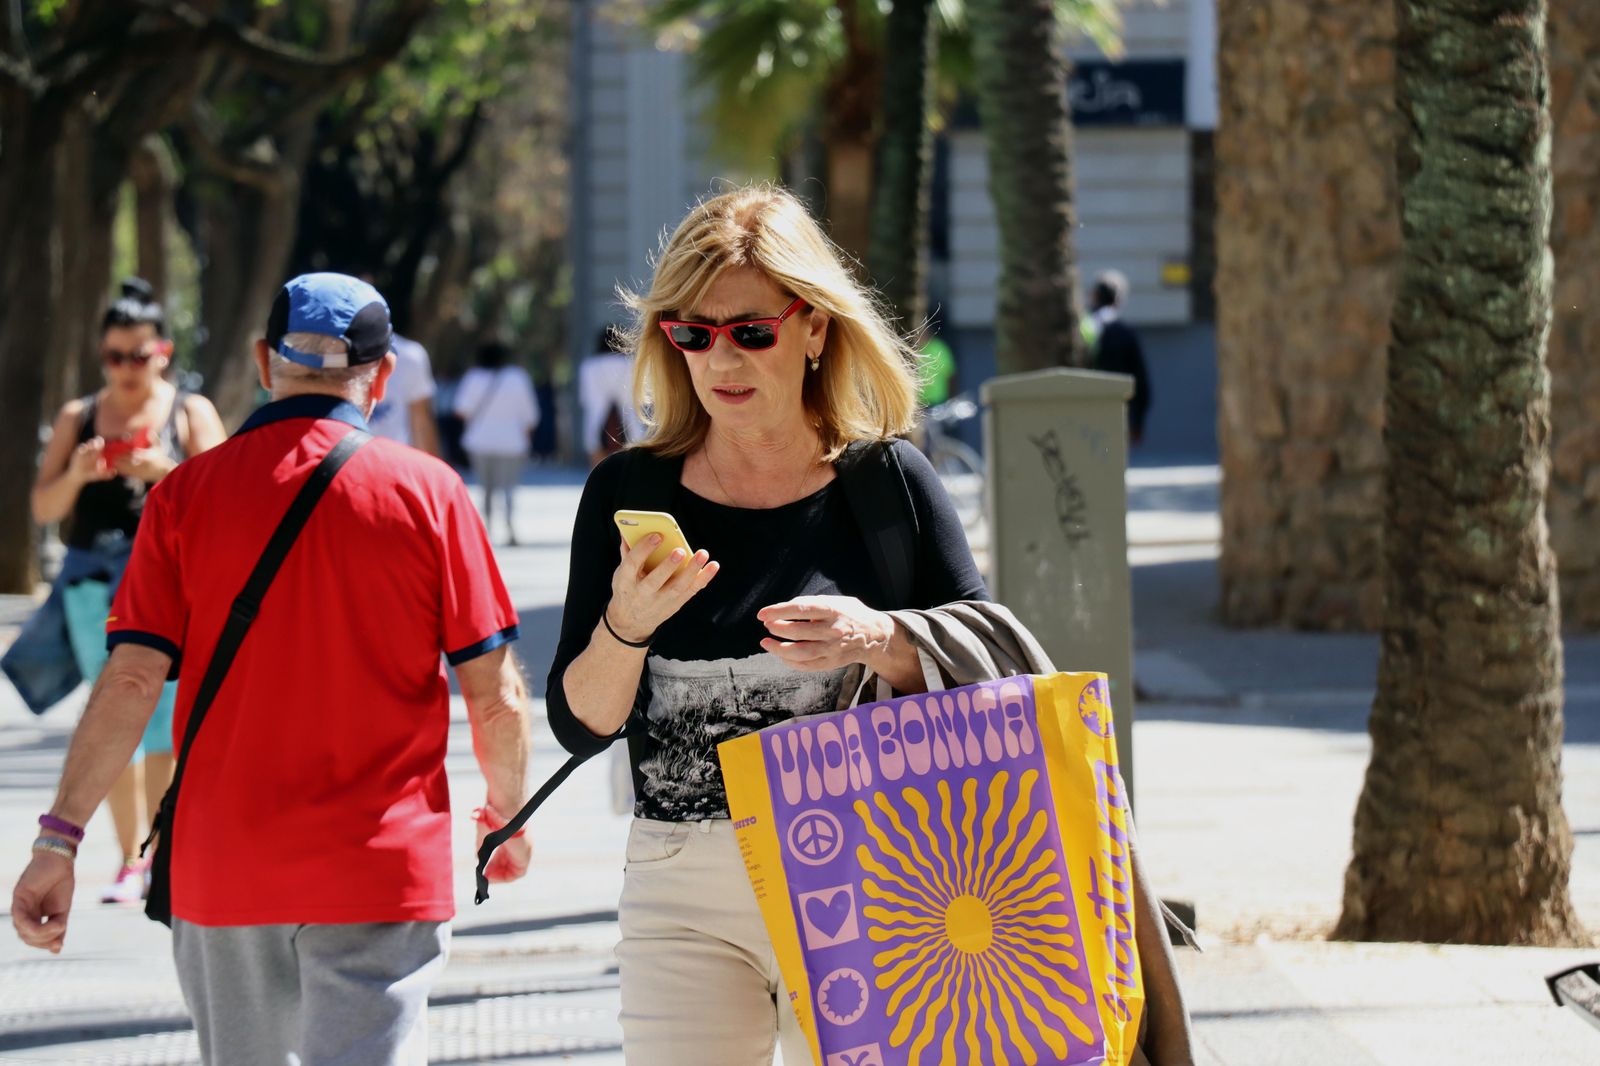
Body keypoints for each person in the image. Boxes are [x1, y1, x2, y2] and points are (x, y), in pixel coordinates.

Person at [11, 273, 534, 1064]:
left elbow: (128, 682)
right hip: (379, 869)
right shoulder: (432, 494)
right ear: (383, 374)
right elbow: (494, 696)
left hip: (226, 866)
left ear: (264, 363)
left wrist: (60, 841)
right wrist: (508, 816)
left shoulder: (184, 495)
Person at [544, 185, 990, 1064]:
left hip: (874, 876)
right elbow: (578, 725)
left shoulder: (888, 486)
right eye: (693, 333)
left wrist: (878, 639)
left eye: (751, 331)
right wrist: (625, 627)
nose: (721, 359)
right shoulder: (628, 494)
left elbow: (985, 671)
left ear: (814, 327)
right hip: (681, 885)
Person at [8, 278, 226, 905]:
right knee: (112, 719)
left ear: (164, 349)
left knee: (162, 723)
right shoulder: (80, 416)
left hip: (169, 583)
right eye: (115, 357)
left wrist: (166, 472)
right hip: (92, 588)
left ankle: (160, 853)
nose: (128, 370)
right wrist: (77, 473)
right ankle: (132, 860)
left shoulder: (191, 411)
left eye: (139, 354)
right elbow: (44, 506)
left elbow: (225, 499)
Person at [453, 341, 540, 546]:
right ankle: (510, 528)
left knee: (486, 488)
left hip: (480, 442)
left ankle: (487, 529)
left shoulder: (473, 377)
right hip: (512, 443)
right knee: (509, 487)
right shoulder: (518, 377)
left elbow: (460, 410)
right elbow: (530, 415)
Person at [1087, 269, 1152, 445]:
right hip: (1116, 412)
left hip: (1084, 411)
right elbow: (1141, 381)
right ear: (1118, 299)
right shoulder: (1125, 333)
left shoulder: (1084, 329)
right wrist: (1137, 422)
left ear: (1094, 296)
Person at [578, 325, 647, 466]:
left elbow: (585, 400)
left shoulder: (588, 367)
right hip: (630, 430)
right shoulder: (631, 364)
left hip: (597, 429)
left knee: (598, 477)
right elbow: (640, 398)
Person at [368, 331, 441, 456]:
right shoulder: (410, 354)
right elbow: (421, 421)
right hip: (394, 460)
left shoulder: (411, 355)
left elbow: (421, 422)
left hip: (391, 462)